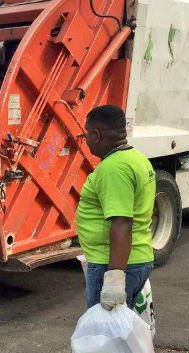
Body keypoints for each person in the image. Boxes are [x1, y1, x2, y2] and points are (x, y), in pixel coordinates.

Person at [75, 105, 156, 311]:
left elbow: (122, 223)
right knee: (118, 333)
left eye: (86, 133)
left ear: (96, 135)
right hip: (136, 258)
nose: (85, 139)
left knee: (104, 338)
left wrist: (114, 279)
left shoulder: (113, 169)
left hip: (114, 264)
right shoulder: (137, 159)